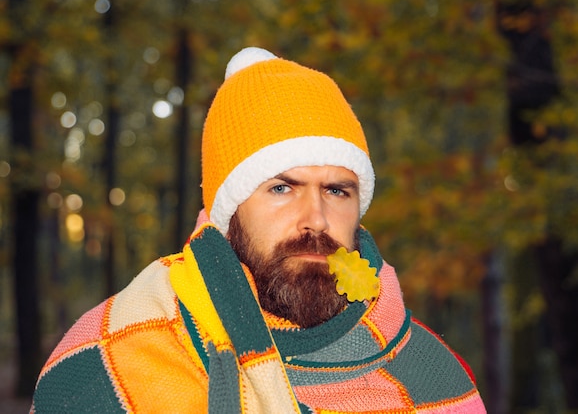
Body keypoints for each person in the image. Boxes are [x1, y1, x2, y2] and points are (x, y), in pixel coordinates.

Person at [32, 47, 486, 413]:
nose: (317, 219)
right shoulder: (115, 356)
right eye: (283, 187)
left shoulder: (431, 377)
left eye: (337, 191)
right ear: (228, 212)